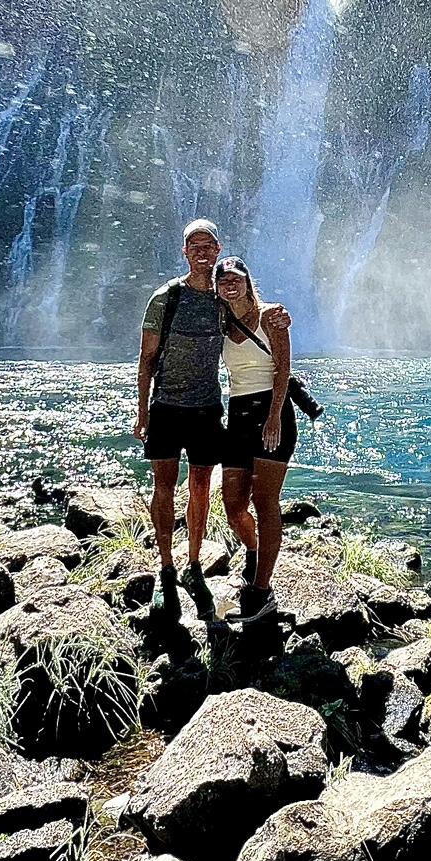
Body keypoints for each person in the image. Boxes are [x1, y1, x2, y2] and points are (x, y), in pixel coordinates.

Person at [135, 220, 288, 618]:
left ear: (218, 250)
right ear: (184, 251)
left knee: (204, 487)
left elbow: (256, 312)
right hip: (168, 406)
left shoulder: (226, 303)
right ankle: (166, 566)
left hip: (209, 409)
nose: (201, 251)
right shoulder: (166, 297)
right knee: (166, 487)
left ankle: (196, 563)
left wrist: (278, 317)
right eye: (193, 245)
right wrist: (142, 410)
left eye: (208, 245)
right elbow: (147, 358)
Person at [214, 255, 296, 623]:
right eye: (223, 279)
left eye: (236, 277)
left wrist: (275, 416)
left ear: (248, 280)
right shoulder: (221, 319)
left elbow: (284, 368)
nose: (230, 284)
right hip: (238, 414)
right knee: (233, 506)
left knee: (265, 502)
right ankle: (255, 551)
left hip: (270, 411)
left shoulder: (270, 317)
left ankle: (262, 593)